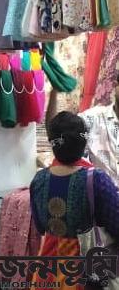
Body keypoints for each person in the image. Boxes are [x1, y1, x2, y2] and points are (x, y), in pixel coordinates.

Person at [30, 111, 119, 288]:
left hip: (48, 270)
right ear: (84, 142)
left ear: (52, 144)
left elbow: (40, 226)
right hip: (84, 272)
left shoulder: (38, 180)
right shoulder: (96, 179)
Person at [46, 75, 119, 180]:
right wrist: (54, 91)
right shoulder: (95, 118)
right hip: (100, 187)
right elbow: (55, 130)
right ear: (116, 86)